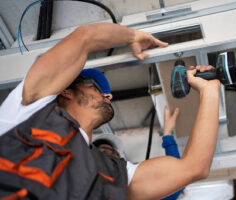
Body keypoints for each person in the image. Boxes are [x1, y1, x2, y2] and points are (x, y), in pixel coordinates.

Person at [0, 22, 220, 200]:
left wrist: (210, 92)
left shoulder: (114, 173)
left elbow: (194, 167)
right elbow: (84, 37)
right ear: (65, 91)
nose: (108, 96)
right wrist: (133, 36)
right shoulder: (29, 108)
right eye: (95, 88)